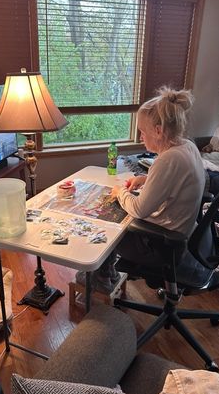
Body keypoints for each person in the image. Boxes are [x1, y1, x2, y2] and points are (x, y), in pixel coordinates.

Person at [77, 86, 206, 291]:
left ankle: (101, 277)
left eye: (142, 132)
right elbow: (181, 181)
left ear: (158, 131)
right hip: (181, 234)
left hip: (160, 244)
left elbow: (139, 209)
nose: (140, 137)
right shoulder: (187, 146)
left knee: (108, 217)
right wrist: (147, 179)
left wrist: (121, 193)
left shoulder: (167, 160)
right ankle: (107, 272)